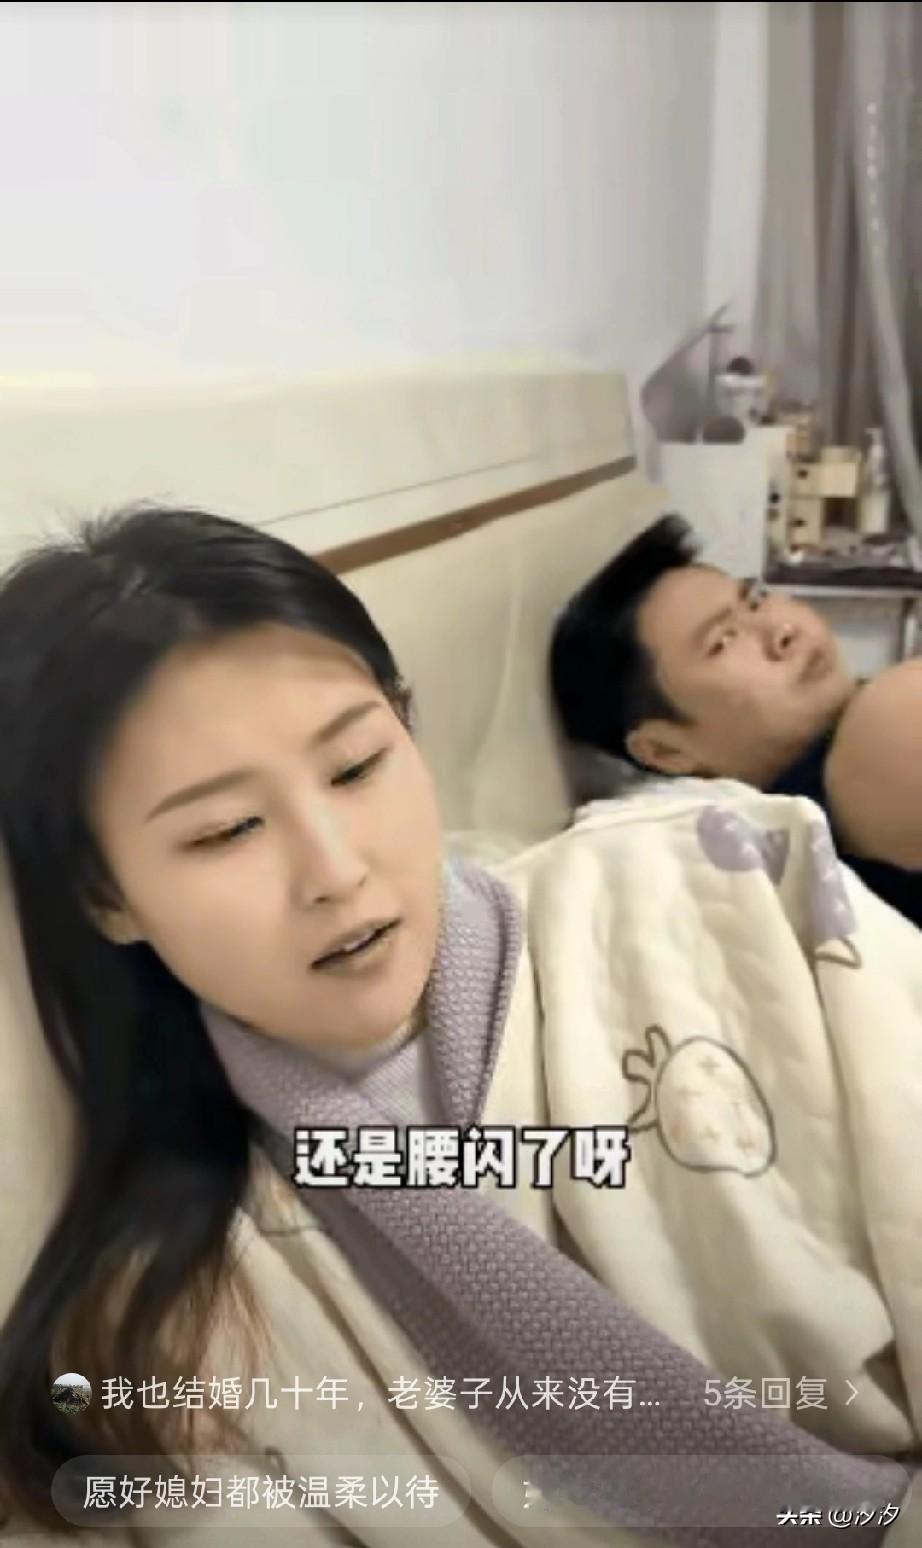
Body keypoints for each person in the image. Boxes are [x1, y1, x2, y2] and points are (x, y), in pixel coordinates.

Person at [0, 507, 918, 1547]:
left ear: (407, 728)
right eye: (226, 830)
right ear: (107, 895)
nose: (334, 870)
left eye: (357, 767)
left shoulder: (721, 882)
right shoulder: (175, 1326)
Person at [549, 514, 922, 929]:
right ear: (666, 750)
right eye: (723, 641)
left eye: (756, 600)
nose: (781, 630)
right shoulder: (883, 727)